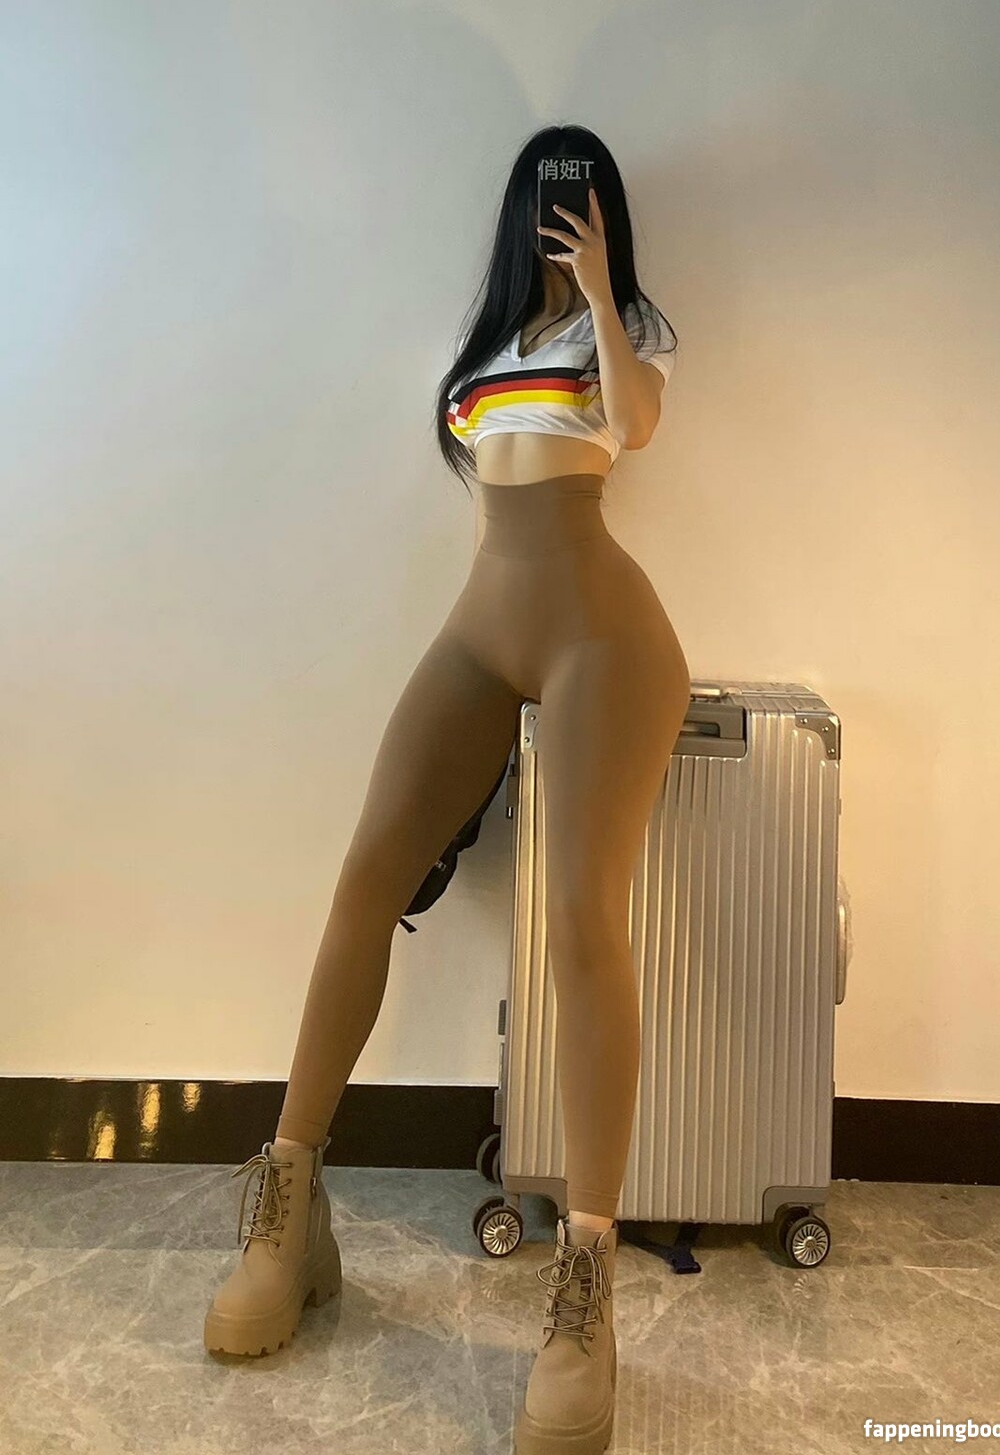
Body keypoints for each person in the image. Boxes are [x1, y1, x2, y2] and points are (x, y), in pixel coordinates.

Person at [203, 122, 691, 1455]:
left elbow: (634, 429)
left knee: (580, 916)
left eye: (580, 198)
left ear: (605, 213)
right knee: (368, 874)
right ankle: (288, 1203)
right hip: (484, 620)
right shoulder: (482, 346)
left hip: (602, 632)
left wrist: (601, 289)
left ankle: (583, 1289)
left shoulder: (628, 327)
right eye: (544, 197)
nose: (559, 214)